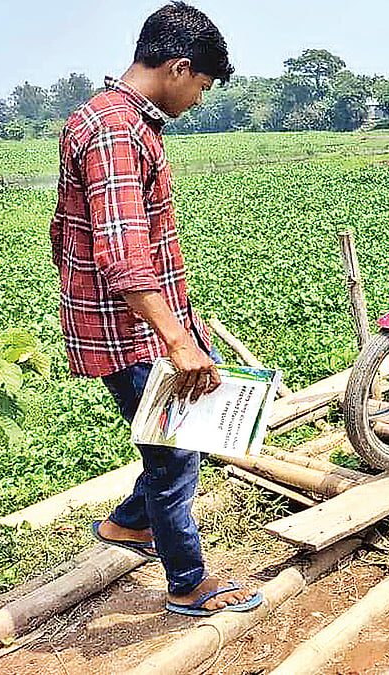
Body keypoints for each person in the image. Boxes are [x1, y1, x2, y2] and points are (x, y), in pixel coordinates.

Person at [50, 2, 261, 617]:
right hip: (133, 330)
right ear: (177, 67)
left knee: (181, 438)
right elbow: (121, 258)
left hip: (140, 323)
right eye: (200, 84)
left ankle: (128, 526)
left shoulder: (107, 118)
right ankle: (189, 584)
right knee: (174, 454)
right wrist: (178, 340)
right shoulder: (117, 131)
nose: (198, 99)